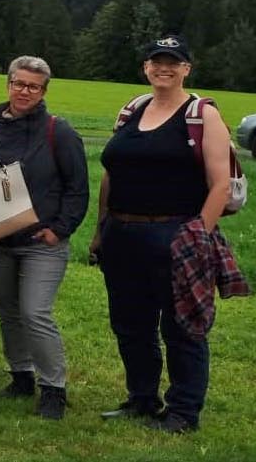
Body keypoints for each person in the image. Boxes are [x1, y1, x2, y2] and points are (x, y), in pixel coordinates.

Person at [93, 34, 235, 434]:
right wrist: (101, 228)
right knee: (130, 325)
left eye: (173, 62)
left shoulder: (202, 114)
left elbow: (220, 184)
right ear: (146, 67)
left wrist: (197, 237)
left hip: (175, 232)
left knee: (182, 328)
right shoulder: (131, 111)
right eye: (157, 61)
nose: (164, 68)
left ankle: (183, 412)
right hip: (122, 232)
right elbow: (110, 173)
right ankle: (142, 399)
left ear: (187, 69)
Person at [0, 55, 88, 419]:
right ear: (8, 84)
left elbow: (78, 189)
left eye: (33, 86)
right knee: (7, 311)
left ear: (44, 91)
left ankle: (54, 389)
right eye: (18, 83)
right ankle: (21, 375)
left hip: (42, 244)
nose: (24, 91)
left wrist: (58, 230)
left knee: (34, 312)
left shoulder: (58, 132)